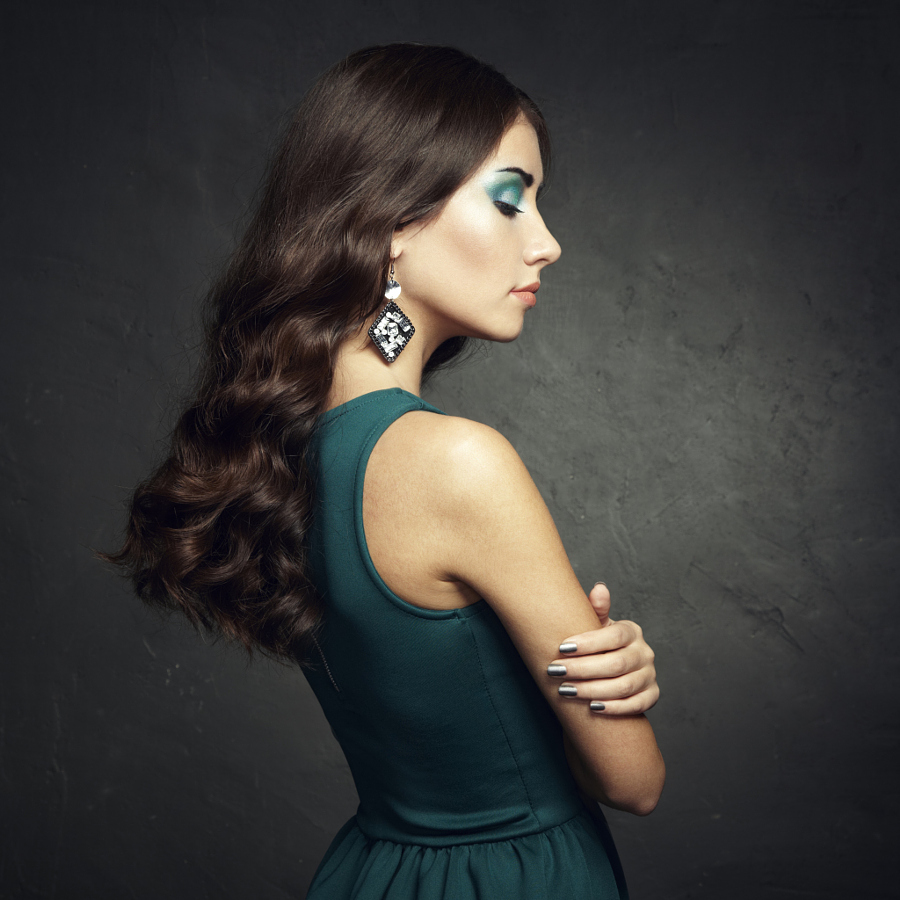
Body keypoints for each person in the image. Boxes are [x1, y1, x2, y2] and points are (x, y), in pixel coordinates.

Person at [106, 44, 664, 898]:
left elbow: (380, 344)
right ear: (396, 222)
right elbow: (633, 783)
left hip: (373, 871)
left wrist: (552, 686)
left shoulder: (284, 453)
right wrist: (609, 702)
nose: (547, 243)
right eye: (512, 200)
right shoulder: (457, 464)